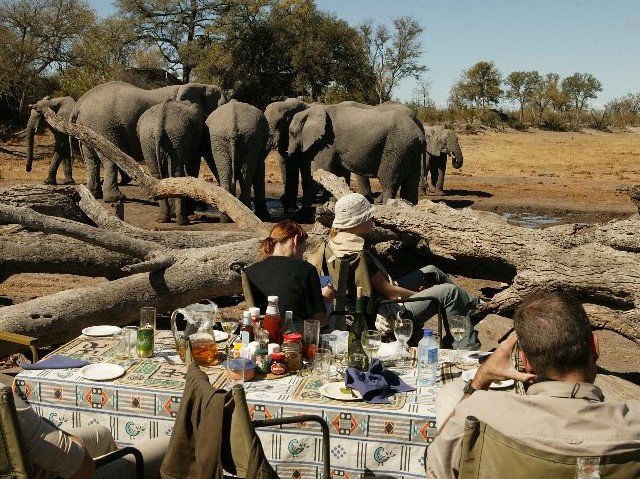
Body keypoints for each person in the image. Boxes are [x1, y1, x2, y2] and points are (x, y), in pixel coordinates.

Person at [425, 291, 640, 479]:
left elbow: (435, 467)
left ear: (526, 362)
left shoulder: (477, 414)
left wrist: (481, 378)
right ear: (595, 348)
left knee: (448, 394)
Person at [311, 192, 480, 348]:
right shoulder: (357, 255)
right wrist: (419, 294)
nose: (373, 218)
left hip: (367, 303)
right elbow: (391, 293)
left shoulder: (332, 245)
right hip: (384, 312)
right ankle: (466, 347)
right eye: (369, 216)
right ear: (357, 221)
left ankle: (472, 305)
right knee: (449, 292)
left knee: (431, 271)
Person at [0, 373, 168, 479]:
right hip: (73, 471)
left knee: (101, 434)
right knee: (169, 445)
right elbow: (83, 469)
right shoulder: (4, 401)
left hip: (25, 463)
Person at [245, 220, 334, 329]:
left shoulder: (250, 271)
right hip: (296, 338)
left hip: (262, 335)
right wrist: (325, 298)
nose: (302, 254)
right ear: (296, 239)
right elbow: (319, 320)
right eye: (303, 249)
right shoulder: (306, 269)